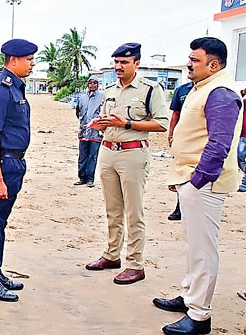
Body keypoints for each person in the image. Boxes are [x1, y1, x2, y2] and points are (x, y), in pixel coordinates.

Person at [154, 37, 243, 335]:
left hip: (205, 183)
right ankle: (190, 296)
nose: (188, 64)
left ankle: (200, 316)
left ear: (213, 64)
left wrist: (196, 180)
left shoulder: (220, 93)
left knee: (203, 250)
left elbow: (219, 143)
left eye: (195, 60)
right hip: (191, 178)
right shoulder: (201, 88)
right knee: (194, 246)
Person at [85, 42, 169, 285]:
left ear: (137, 64)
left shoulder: (150, 89)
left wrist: (128, 124)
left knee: (134, 211)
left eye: (124, 62)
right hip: (108, 150)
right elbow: (109, 119)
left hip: (133, 154)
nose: (118, 66)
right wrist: (101, 124)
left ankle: (135, 263)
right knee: (112, 209)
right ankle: (112, 255)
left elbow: (161, 123)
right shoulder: (110, 89)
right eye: (116, 62)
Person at [0, 39, 36, 302]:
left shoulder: (14, 87)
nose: (32, 64)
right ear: (14, 60)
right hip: (3, 163)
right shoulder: (2, 89)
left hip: (13, 162)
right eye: (29, 59)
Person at [166, 81, 194, 220]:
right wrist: (171, 134)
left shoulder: (212, 89)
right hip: (183, 137)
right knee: (181, 171)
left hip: (201, 138)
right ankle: (179, 208)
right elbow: (175, 114)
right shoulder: (182, 90)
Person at [74, 76, 104, 188]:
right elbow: (78, 112)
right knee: (82, 156)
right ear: (87, 84)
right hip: (83, 131)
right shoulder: (82, 98)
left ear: (98, 85)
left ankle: (90, 179)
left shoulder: (102, 97)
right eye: (90, 83)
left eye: (95, 83)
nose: (92, 85)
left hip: (96, 132)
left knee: (93, 156)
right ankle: (81, 178)